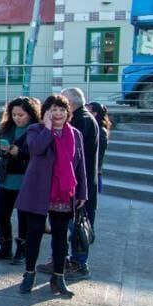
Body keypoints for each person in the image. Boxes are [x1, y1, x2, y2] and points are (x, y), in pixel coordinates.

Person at [15, 94, 88, 297]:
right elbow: (36, 149)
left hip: (63, 192)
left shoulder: (75, 134)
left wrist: (83, 192)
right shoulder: (35, 130)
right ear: (46, 113)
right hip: (38, 190)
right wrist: (47, 128)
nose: (58, 114)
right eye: (53, 110)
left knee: (60, 237)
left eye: (62, 110)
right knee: (34, 234)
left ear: (68, 113)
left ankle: (58, 277)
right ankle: (29, 274)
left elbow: (80, 165)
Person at [48, 87, 99, 282]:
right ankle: (67, 260)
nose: (58, 110)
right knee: (72, 225)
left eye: (62, 104)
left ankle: (79, 263)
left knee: (77, 226)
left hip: (77, 184)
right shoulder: (84, 118)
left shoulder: (81, 121)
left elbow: (74, 158)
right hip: (80, 182)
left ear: (70, 105)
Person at [0, 97, 41, 264]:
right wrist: (3, 150)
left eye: (21, 114)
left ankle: (22, 250)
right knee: (1, 214)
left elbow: (38, 153)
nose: (17, 118)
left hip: (25, 180)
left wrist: (19, 152)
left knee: (23, 217)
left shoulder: (36, 129)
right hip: (6, 178)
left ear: (30, 114)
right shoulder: (7, 127)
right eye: (14, 114)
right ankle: (5, 247)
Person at [86, 101, 111, 193]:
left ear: (95, 114)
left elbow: (98, 152)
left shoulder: (100, 131)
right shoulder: (97, 128)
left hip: (95, 170)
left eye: (87, 111)